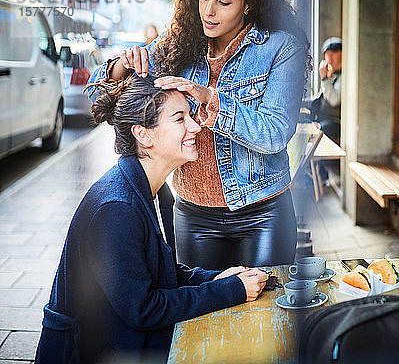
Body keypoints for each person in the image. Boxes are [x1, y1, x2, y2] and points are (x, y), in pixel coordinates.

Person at [87, 0, 310, 270]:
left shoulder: (280, 47)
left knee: (260, 309)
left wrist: (211, 100)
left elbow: (275, 133)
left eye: (223, 1)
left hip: (263, 213)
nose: (209, 11)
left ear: (249, 3)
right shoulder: (179, 45)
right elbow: (94, 91)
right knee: (203, 311)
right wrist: (119, 68)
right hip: (193, 213)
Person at [35, 75, 269, 364]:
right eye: (180, 119)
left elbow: (160, 273)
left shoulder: (158, 191)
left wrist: (217, 277)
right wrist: (230, 291)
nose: (196, 126)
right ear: (143, 134)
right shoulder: (117, 208)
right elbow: (144, 308)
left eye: (191, 115)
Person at [313, 36, 342, 143]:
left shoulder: (344, 76)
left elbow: (334, 101)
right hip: (322, 117)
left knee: (320, 128)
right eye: (327, 55)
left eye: (333, 54)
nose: (329, 59)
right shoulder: (332, 74)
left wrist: (324, 78)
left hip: (335, 122)